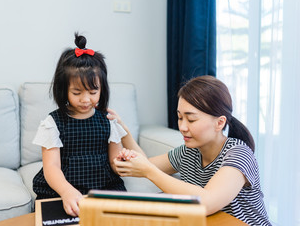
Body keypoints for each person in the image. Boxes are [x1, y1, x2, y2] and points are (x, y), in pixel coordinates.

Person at [112, 75, 271, 226]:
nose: (182, 127)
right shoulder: (188, 152)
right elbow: (146, 164)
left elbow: (207, 202)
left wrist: (149, 171)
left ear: (219, 123)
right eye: (180, 118)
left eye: (191, 119)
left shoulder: (239, 154)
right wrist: (123, 131)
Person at [32, 33, 127, 217]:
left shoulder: (108, 121)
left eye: (93, 92)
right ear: (63, 90)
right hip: (63, 190)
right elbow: (51, 167)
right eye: (77, 92)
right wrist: (67, 192)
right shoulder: (53, 123)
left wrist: (124, 161)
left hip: (102, 188)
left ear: (102, 89)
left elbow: (115, 163)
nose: (85, 100)